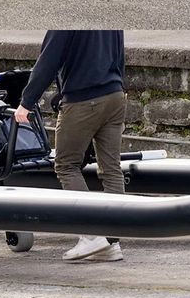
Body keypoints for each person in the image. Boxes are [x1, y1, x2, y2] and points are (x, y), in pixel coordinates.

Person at [14, 30, 127, 263]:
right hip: (115, 95)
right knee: (111, 169)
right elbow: (119, 53)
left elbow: (49, 60)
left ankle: (91, 235)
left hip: (83, 100)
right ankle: (111, 242)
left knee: (66, 165)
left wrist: (26, 102)